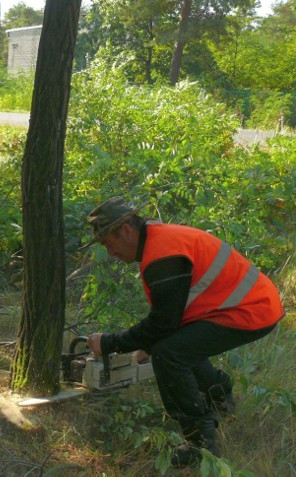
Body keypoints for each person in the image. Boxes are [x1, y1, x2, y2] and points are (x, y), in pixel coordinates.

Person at [84, 196, 284, 467]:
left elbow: (163, 324)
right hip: (250, 303)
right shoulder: (158, 241)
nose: (111, 253)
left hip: (251, 309)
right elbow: (170, 317)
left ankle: (199, 442)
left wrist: (110, 343)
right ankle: (219, 396)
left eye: (110, 244)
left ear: (127, 231)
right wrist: (146, 341)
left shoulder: (162, 255)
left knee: (169, 354)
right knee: (173, 345)